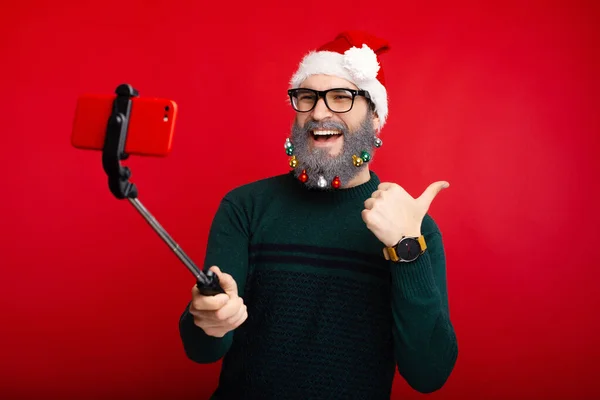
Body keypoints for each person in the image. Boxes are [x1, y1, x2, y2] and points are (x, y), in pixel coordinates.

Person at [178, 30, 458, 400]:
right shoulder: (245, 207)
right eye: (306, 97)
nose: (318, 112)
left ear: (375, 118)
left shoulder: (414, 228)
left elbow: (429, 374)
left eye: (341, 97)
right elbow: (201, 351)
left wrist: (407, 246)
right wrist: (209, 316)